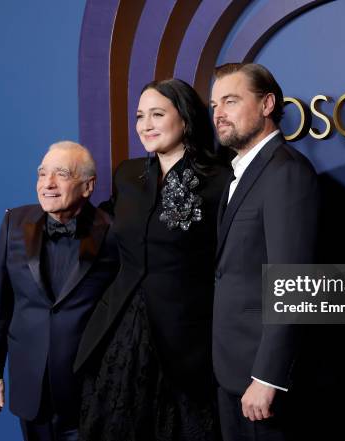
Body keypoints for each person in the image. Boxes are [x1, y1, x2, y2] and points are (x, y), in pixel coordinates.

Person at [210, 63, 345, 441]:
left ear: (267, 104)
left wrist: (268, 377)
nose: (218, 114)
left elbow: (294, 282)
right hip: (231, 371)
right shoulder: (242, 173)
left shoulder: (286, 172)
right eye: (214, 104)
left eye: (231, 101)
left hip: (265, 382)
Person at [74, 79, 230, 441]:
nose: (145, 125)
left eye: (157, 114)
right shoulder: (127, 174)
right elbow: (107, 228)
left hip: (186, 338)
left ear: (186, 119)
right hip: (121, 327)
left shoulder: (220, 180)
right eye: (140, 116)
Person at [0, 141, 119, 441]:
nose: (48, 184)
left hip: (87, 393)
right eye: (42, 174)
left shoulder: (112, 232)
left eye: (62, 174)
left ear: (87, 186)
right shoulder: (13, 223)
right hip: (29, 388)